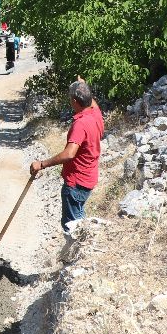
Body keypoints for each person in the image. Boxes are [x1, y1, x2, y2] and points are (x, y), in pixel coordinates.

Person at [30, 77, 104, 231]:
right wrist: (83, 85)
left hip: (76, 183)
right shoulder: (95, 115)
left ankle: (75, 252)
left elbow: (70, 153)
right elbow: (92, 103)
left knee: (72, 227)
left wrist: (42, 164)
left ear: (76, 101)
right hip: (88, 178)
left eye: (71, 99)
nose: (70, 101)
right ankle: (80, 247)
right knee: (78, 217)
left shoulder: (81, 124)